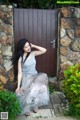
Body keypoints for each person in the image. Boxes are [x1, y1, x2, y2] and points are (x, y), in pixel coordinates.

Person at [15, 38, 50, 116]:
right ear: (22, 48)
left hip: (35, 76)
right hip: (26, 77)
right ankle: (27, 107)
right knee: (29, 91)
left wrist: (33, 45)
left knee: (42, 78)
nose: (28, 48)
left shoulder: (33, 53)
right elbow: (20, 73)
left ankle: (35, 105)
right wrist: (18, 86)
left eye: (28, 46)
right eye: (26, 47)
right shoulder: (20, 59)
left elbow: (44, 50)